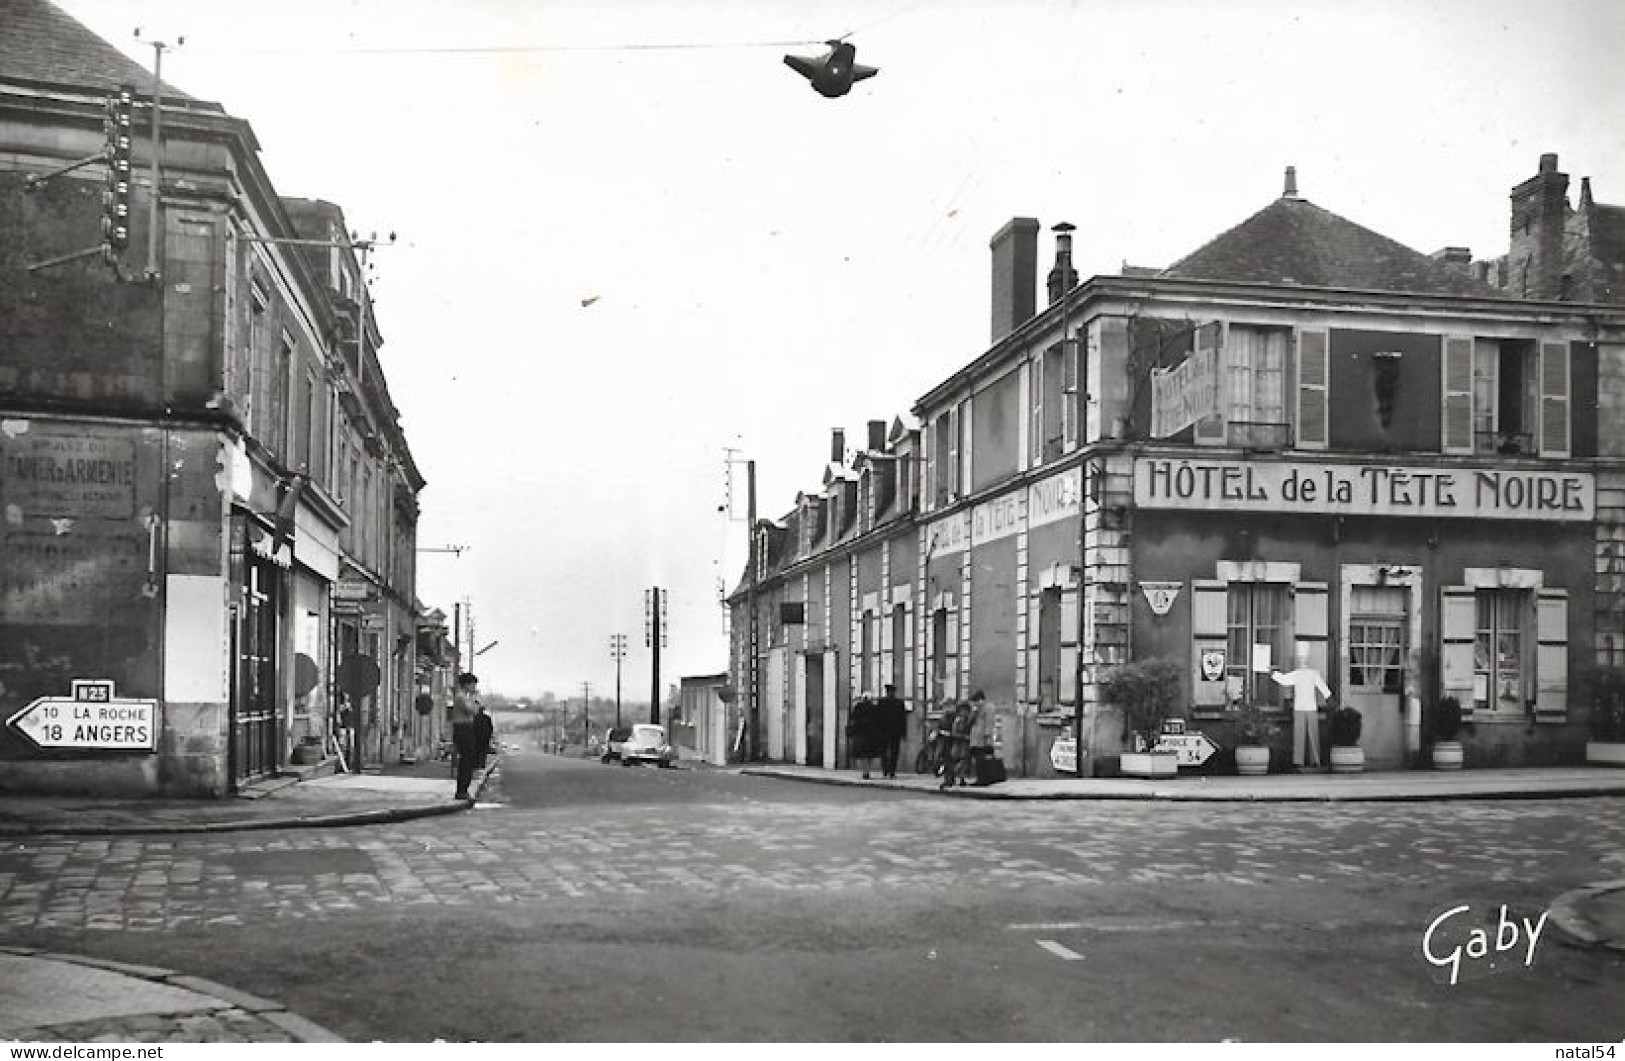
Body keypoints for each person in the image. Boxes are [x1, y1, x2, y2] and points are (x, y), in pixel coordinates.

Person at [1271, 644, 1332, 771]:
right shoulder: (1305, 674)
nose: (1302, 661)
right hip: (1304, 707)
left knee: (1306, 734)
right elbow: (1323, 688)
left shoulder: (1306, 674)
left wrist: (1273, 674)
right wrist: (1329, 698)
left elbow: (1284, 679)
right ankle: (1306, 760)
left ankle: (1308, 760)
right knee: (1305, 734)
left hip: (1305, 707)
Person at [450, 672, 482, 799]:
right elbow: (473, 711)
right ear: (467, 684)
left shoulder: (464, 697)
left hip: (466, 728)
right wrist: (476, 701)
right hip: (463, 728)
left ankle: (464, 788)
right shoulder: (461, 697)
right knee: (466, 760)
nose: (474, 687)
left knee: (468, 759)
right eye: (473, 684)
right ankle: (461, 790)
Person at [939, 699, 974, 789]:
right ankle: (950, 778)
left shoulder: (967, 720)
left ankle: (960, 779)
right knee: (954, 761)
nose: (964, 712)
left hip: (962, 744)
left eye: (966, 711)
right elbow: (954, 732)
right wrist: (963, 736)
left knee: (963, 761)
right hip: (957, 743)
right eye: (963, 710)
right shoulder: (958, 720)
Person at [875, 683, 908, 779]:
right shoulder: (898, 703)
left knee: (886, 751)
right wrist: (903, 732)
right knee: (892, 752)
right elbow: (903, 719)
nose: (890, 693)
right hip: (892, 731)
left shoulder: (882, 702)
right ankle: (890, 771)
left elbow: (902, 719)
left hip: (885, 731)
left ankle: (887, 770)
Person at [846, 691, 881, 779]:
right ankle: (867, 770)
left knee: (863, 754)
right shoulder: (874, 708)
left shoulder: (858, 707)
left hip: (860, 734)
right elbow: (878, 721)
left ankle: (865, 771)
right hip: (871, 735)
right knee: (869, 754)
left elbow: (852, 719)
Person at [966, 690, 995, 781]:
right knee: (977, 759)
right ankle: (980, 778)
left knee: (982, 759)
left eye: (976, 701)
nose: (975, 704)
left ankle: (984, 778)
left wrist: (987, 736)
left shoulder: (988, 708)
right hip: (975, 738)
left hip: (982, 738)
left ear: (981, 700)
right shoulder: (976, 710)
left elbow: (989, 723)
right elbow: (969, 722)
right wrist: (973, 713)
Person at [473, 699, 495, 771]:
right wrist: (489, 736)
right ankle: (481, 765)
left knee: (476, 751)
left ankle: (476, 765)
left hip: (476, 737)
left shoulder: (474, 718)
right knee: (482, 752)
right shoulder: (487, 718)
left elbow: (472, 727)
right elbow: (490, 728)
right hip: (484, 738)